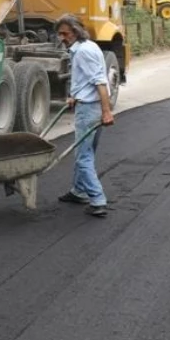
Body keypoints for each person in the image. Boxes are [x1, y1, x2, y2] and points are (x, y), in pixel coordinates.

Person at [54, 13, 115, 217]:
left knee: (83, 157)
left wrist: (106, 112)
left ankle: (98, 200)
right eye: (60, 34)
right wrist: (74, 96)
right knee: (86, 152)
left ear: (76, 31)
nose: (62, 37)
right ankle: (78, 191)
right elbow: (86, 79)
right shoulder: (86, 47)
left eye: (65, 33)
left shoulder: (83, 52)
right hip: (89, 105)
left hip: (90, 109)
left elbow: (99, 81)